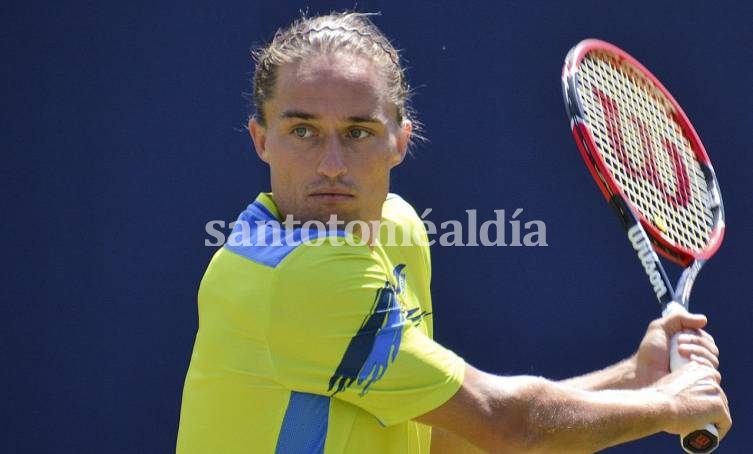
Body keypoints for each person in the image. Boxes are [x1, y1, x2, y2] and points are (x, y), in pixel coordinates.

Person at [176, 11, 731, 453]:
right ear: (260, 139)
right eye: (303, 130)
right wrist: (668, 404)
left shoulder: (398, 231)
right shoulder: (300, 278)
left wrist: (636, 379)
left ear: (400, 140)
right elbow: (508, 426)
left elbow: (451, 438)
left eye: (358, 131)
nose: (331, 163)